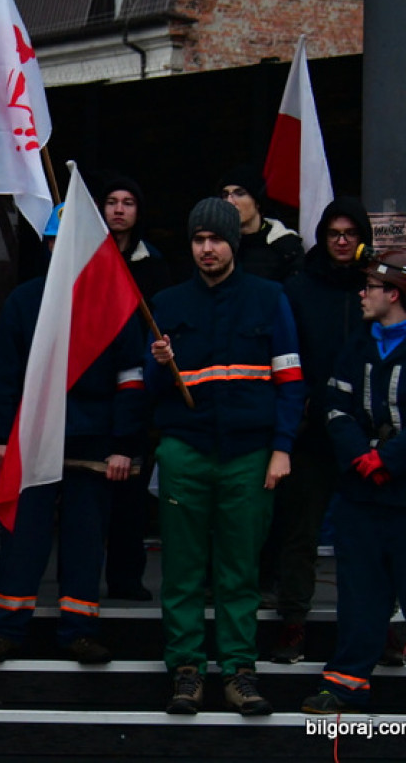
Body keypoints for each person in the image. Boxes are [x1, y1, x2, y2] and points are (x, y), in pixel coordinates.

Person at [147, 197, 304, 716]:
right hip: (185, 453)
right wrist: (159, 364)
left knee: (240, 572)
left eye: (216, 239)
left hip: (250, 456)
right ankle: (186, 672)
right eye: (198, 239)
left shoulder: (270, 298)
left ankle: (240, 672)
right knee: (183, 571)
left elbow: (290, 383)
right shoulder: (165, 306)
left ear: (234, 243)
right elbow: (149, 390)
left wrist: (281, 449)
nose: (207, 248)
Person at [0, 208, 146, 665]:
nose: (64, 250)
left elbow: (132, 379)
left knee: (86, 541)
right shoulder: (26, 301)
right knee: (20, 538)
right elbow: (3, 375)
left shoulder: (117, 302)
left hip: (94, 441)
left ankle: (79, 632)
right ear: (48, 246)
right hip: (33, 438)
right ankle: (6, 630)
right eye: (57, 241)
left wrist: (124, 444)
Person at [300, 250, 406, 714]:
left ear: (394, 294)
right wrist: (361, 457)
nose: (362, 295)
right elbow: (335, 405)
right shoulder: (357, 344)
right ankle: (345, 684)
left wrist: (389, 459)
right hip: (361, 496)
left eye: (371, 288)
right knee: (360, 593)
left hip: (403, 495)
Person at [269, 198, 371, 663]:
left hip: (365, 435)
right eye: (334, 233)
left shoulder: (378, 287)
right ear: (323, 237)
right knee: (300, 533)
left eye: (351, 233)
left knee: (370, 537)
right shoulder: (298, 288)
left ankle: (379, 627)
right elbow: (286, 355)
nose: (343, 241)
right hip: (311, 432)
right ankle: (293, 625)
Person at [99, 176, 170, 601]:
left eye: (127, 202)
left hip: (137, 385)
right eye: (110, 201)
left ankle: (126, 578)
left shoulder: (155, 267)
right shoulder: (84, 258)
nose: (119, 210)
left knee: (129, 490)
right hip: (89, 384)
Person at [217, 164, 303, 282]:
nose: (230, 201)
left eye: (240, 193)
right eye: (225, 195)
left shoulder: (285, 246)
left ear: (257, 202)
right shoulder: (214, 244)